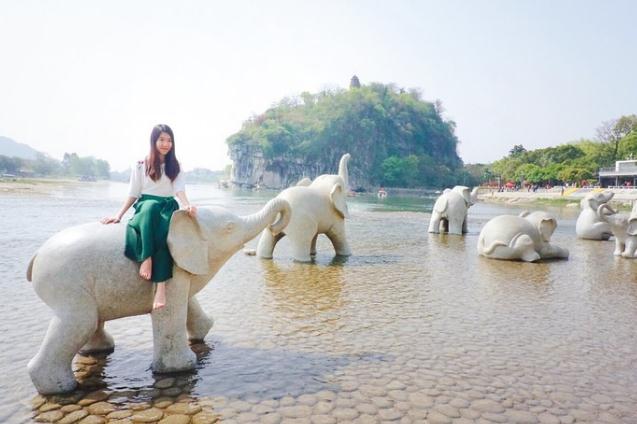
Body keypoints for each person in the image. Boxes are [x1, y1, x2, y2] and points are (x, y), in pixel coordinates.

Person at [101, 124, 196, 310]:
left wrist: (187, 205)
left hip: (167, 207)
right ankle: (147, 258)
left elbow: (179, 190)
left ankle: (160, 288)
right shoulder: (140, 165)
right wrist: (118, 215)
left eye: (169, 140)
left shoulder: (176, 166)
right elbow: (133, 193)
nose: (165, 144)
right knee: (150, 209)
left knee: (162, 231)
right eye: (161, 139)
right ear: (154, 141)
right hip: (145, 206)